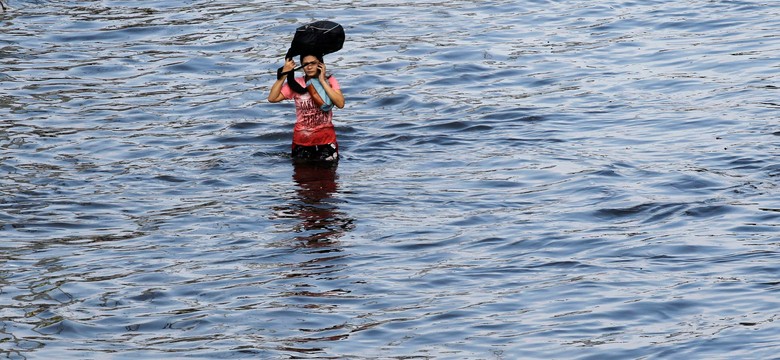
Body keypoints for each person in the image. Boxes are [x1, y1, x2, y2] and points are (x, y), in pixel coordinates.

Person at [268, 54, 345, 162]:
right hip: (302, 141)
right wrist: (284, 73)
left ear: (320, 64)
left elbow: (340, 103)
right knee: (302, 177)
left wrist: (322, 80)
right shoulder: (296, 84)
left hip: (326, 140)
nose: (309, 67)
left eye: (312, 63)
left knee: (328, 177)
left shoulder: (330, 80)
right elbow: (272, 98)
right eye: (305, 64)